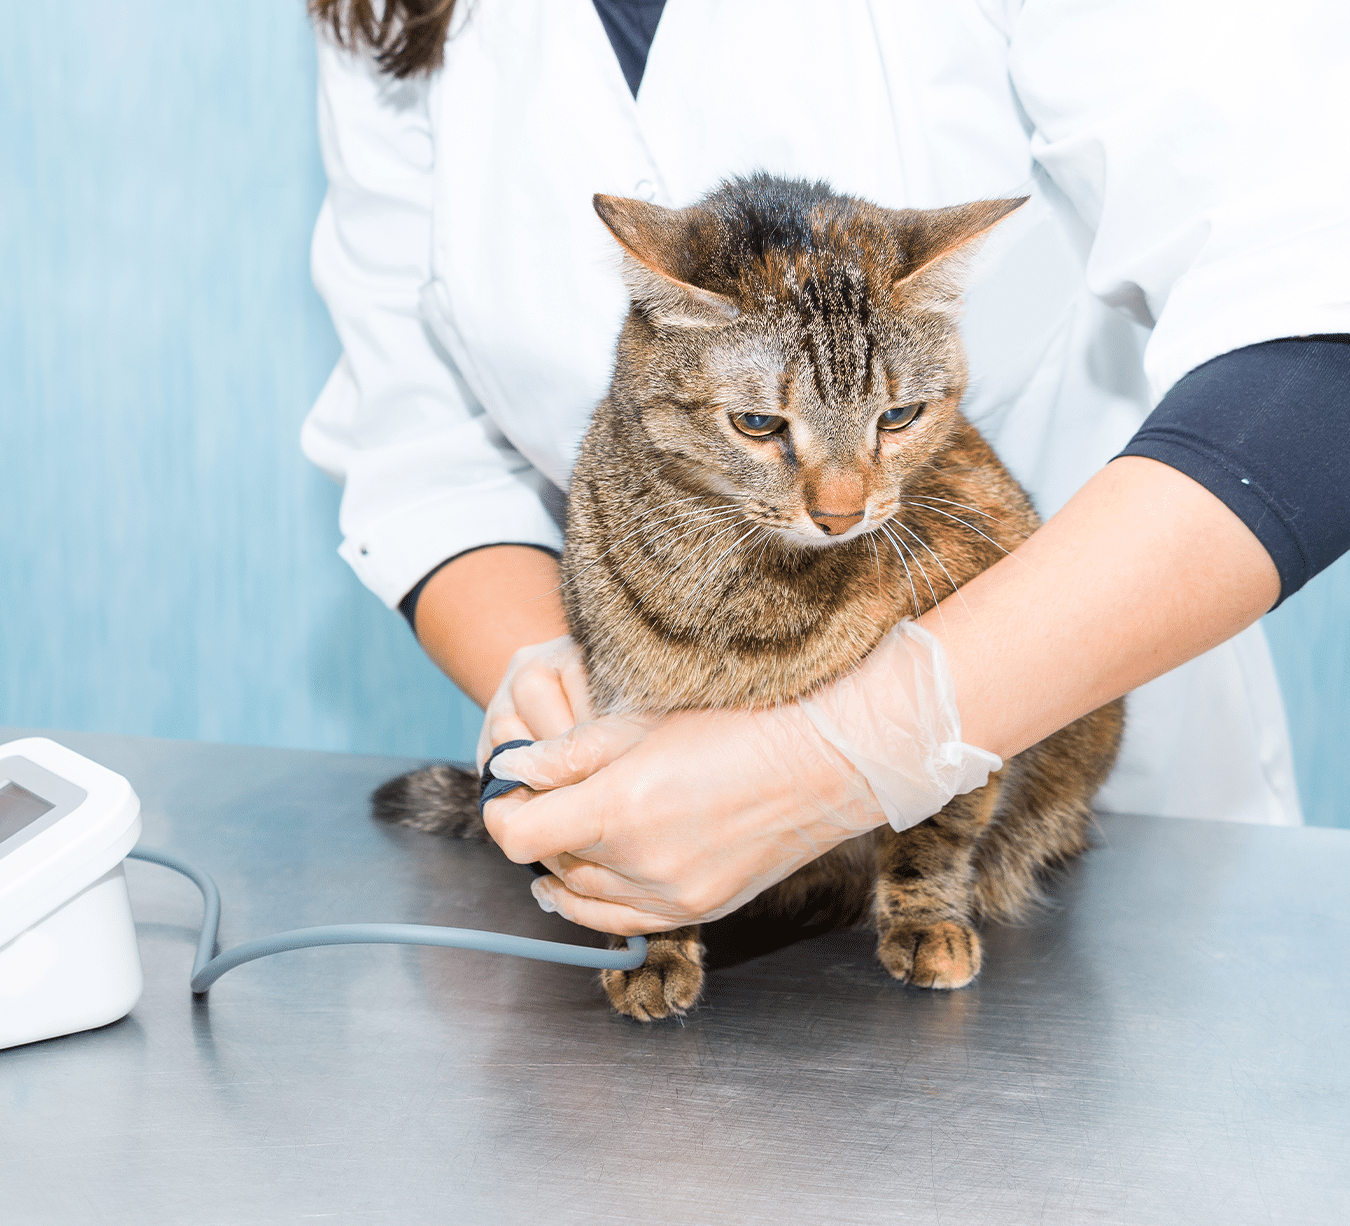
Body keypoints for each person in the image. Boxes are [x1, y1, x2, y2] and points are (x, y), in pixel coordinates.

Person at [302, 1, 1350, 936]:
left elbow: (1317, 334)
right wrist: (569, 713)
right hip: (694, 850)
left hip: (1097, 832)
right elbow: (424, 451)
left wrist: (845, 755)